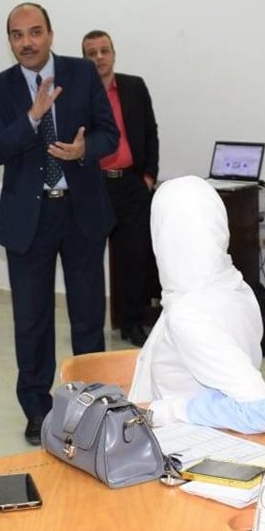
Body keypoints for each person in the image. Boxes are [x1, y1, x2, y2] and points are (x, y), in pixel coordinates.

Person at [0, 3, 118, 446]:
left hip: (80, 212)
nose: (27, 42)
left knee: (88, 317)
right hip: (29, 219)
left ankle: (94, 405)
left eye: (35, 32)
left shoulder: (81, 73)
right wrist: (32, 118)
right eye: (17, 34)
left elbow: (109, 134)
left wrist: (83, 151)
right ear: (10, 40)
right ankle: (36, 409)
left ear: (50, 34)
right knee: (31, 321)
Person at [129, 176, 265, 433]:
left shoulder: (189, 312)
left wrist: (164, 412)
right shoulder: (234, 286)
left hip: (187, 444)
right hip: (221, 437)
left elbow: (262, 411)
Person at [81, 29, 159, 346]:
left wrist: (148, 176)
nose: (99, 57)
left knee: (134, 257)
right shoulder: (78, 93)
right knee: (89, 260)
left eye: (104, 51)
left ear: (113, 54)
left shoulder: (134, 86)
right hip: (94, 186)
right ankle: (90, 327)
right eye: (92, 53)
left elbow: (151, 131)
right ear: (84, 60)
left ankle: (132, 323)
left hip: (131, 184)